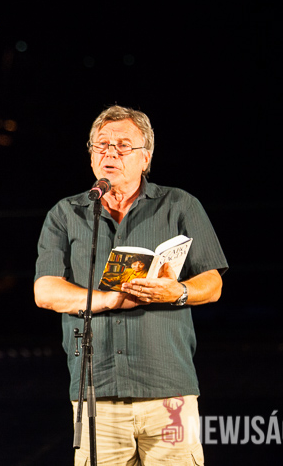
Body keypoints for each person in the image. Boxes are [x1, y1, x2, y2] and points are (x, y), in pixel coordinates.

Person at [34, 105, 228, 465]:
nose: (110, 153)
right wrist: (110, 300)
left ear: (146, 157)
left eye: (123, 145)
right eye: (101, 144)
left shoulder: (180, 205)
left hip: (169, 392)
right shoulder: (65, 214)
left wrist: (178, 292)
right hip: (97, 393)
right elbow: (45, 291)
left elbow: (213, 283)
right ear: (91, 155)